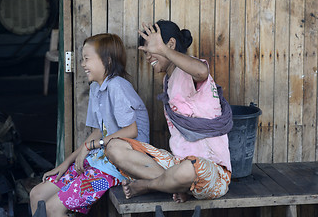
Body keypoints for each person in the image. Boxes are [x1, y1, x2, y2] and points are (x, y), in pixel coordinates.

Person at [105, 20, 233, 203]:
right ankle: (174, 186)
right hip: (177, 164)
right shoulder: (168, 80)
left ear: (170, 44)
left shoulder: (189, 70)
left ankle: (147, 185)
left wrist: (164, 51)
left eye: (151, 50)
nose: (148, 57)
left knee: (189, 169)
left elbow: (202, 71)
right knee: (114, 147)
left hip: (211, 172)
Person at [29, 33, 149, 216]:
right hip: (100, 160)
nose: (83, 64)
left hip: (123, 166)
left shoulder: (118, 86)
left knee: (53, 208)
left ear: (107, 61)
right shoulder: (96, 88)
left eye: (87, 59)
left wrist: (90, 146)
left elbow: (132, 131)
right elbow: (97, 132)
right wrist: (65, 163)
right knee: (37, 194)